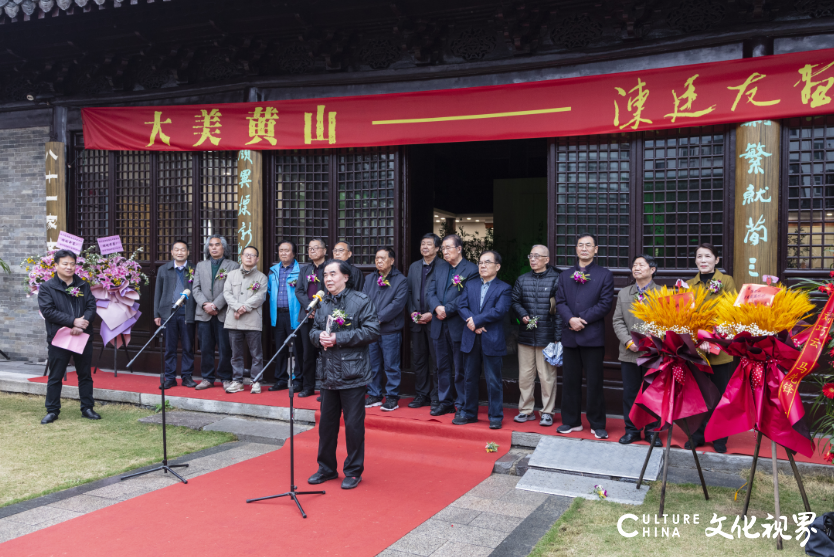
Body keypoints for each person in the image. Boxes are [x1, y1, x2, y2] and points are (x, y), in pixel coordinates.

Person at [308, 260, 380, 490]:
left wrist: (339, 338)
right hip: (328, 373)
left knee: (353, 425)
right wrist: (318, 336)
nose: (328, 279)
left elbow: (372, 331)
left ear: (346, 277)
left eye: (333, 274)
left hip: (353, 373)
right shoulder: (322, 302)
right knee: (326, 425)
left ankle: (353, 471)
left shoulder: (360, 300)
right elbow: (312, 331)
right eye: (325, 275)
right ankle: (326, 468)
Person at [555, 234, 614, 439]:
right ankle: (571, 421)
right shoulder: (564, 276)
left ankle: (597, 423)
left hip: (592, 337)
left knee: (595, 382)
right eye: (580, 245)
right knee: (570, 381)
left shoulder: (604, 275)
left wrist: (581, 319)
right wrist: (571, 319)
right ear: (576, 249)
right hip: (570, 336)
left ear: (596, 249)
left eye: (589, 245)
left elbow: (605, 304)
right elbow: (560, 302)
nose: (584, 248)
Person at [686, 242, 738, 454]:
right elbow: (685, 316)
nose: (703, 260)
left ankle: (718, 436)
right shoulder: (689, 284)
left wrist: (713, 339)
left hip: (720, 348)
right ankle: (697, 434)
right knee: (698, 394)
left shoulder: (726, 281)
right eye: (699, 257)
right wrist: (698, 340)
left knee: (719, 394)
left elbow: (731, 312)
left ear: (716, 260)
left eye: (707, 256)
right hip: (697, 349)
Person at [38, 249, 99, 424]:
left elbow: (91, 307)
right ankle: (52, 410)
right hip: (60, 336)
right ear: (56, 265)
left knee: (85, 374)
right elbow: (48, 311)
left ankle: (87, 408)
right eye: (65, 263)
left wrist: (83, 323)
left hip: (82, 335)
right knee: (55, 375)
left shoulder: (83, 285)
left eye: (72, 263)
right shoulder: (47, 287)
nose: (69, 267)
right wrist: (73, 321)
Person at [453, 250, 511, 429]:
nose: (483, 266)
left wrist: (476, 320)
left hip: (491, 338)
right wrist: (473, 323)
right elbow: (460, 305)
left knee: (493, 379)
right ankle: (469, 413)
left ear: (497, 266)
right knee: (469, 378)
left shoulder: (504, 288)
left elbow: (499, 311)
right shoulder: (470, 285)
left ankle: (495, 416)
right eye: (480, 263)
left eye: (487, 262)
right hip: (471, 338)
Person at [426, 234, 479, 417]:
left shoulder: (471, 269)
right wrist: (436, 307)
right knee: (442, 366)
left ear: (459, 249)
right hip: (439, 325)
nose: (445, 251)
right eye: (443, 248)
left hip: (458, 324)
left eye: (449, 248)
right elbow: (430, 291)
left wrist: (446, 310)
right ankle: (445, 401)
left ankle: (462, 404)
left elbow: (467, 297)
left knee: (460, 368)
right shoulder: (440, 268)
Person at [613, 255, 662, 446]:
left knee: (652, 393)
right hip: (629, 352)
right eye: (634, 265)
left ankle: (651, 431)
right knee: (630, 393)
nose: (636, 268)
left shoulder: (662, 293)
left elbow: (668, 321)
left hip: (653, 353)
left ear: (652, 269)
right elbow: (617, 320)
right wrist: (627, 341)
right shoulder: (624, 293)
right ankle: (632, 430)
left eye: (641, 265)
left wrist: (654, 338)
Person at [511, 245, 563, 427]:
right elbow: (515, 300)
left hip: (546, 336)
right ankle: (526, 410)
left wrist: (557, 336)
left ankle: (547, 411)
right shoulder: (522, 279)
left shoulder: (557, 279)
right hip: (526, 335)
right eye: (530, 256)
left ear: (546, 259)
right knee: (525, 375)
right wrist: (522, 314)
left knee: (546, 376)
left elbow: (558, 311)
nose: (533, 259)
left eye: (537, 256)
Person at [362, 246, 408, 411]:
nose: (379, 261)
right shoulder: (369, 279)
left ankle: (392, 397)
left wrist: (378, 318)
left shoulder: (401, 280)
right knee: (372, 364)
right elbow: (364, 300)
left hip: (390, 330)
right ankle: (374, 394)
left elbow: (397, 305)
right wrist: (369, 320)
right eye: (376, 259)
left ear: (392, 261)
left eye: (382, 258)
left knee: (391, 365)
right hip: (372, 330)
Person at [192, 235, 239, 390]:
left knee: (225, 347)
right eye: (210, 245)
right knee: (206, 347)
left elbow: (231, 288)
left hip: (223, 313)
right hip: (204, 313)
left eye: (217, 245)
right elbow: (195, 288)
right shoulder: (200, 265)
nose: (213, 248)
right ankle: (207, 378)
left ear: (223, 248)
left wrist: (216, 305)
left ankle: (226, 378)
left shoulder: (233, 265)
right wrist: (205, 304)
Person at [153, 240, 198, 389]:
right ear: (172, 252)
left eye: (183, 250)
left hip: (187, 313)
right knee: (170, 348)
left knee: (187, 347)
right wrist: (156, 314)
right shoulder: (163, 269)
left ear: (188, 252)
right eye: (177, 250)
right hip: (168, 313)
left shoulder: (194, 269)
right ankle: (170, 377)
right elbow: (157, 292)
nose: (180, 252)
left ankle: (187, 376)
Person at [223, 246, 268, 394]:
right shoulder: (231, 275)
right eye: (246, 254)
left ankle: (256, 381)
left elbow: (260, 296)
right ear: (241, 257)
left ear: (257, 259)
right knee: (236, 354)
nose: (249, 257)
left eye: (252, 255)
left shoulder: (261, 277)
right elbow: (227, 293)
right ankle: (237, 381)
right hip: (233, 321)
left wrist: (243, 308)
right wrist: (237, 308)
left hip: (252, 320)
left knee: (256, 354)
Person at [406, 233, 441, 409]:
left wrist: (431, 313)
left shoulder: (443, 266)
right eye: (422, 244)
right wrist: (413, 312)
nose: (424, 247)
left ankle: (437, 396)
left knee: (437, 360)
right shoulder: (414, 267)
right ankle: (422, 394)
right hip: (417, 322)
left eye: (428, 244)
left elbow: (445, 296)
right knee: (419, 360)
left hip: (436, 321)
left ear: (437, 248)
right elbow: (409, 293)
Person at [293, 238, 328, 397]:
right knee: (307, 354)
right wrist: (310, 307)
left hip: (325, 316)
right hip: (307, 316)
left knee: (327, 354)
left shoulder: (330, 268)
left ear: (324, 251)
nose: (312, 251)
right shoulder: (305, 269)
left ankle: (327, 388)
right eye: (310, 248)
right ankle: (308, 386)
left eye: (316, 248)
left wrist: (319, 309)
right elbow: (299, 291)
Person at [267, 240, 301, 391]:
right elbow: (269, 291)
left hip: (295, 314)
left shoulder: (301, 270)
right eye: (281, 250)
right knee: (280, 348)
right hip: (278, 315)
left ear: (294, 253)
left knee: (298, 349)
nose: (283, 253)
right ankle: (281, 379)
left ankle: (299, 379)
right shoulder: (273, 270)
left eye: (287, 250)